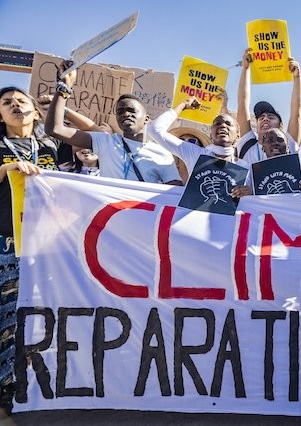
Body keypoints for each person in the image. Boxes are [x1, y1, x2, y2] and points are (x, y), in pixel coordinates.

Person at [0, 86, 60, 416]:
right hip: (7, 243)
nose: (15, 106)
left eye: (21, 101)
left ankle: (29, 380)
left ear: (35, 111)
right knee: (6, 318)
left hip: (47, 246)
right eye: (7, 103)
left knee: (38, 316)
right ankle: (6, 386)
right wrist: (9, 169)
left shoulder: (51, 146)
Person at [45, 61, 182, 185]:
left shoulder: (162, 153)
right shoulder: (105, 142)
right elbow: (55, 129)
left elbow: (174, 196)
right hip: (110, 213)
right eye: (120, 112)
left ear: (146, 119)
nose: (125, 114)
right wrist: (64, 87)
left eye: (131, 110)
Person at [147, 97, 251, 198]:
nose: (223, 126)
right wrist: (183, 104)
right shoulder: (196, 154)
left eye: (228, 124)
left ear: (238, 136)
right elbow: (154, 129)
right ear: (211, 135)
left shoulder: (246, 168)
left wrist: (250, 193)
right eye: (217, 123)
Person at [236, 48, 301, 164]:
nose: (265, 119)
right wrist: (246, 69)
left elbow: (296, 111)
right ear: (256, 126)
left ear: (281, 126)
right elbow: (242, 104)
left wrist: (297, 78)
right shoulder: (247, 144)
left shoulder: (288, 144)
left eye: (271, 117)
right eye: (261, 118)